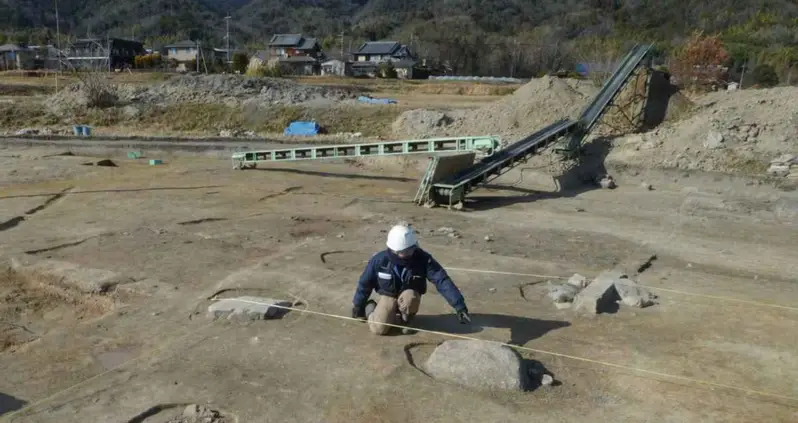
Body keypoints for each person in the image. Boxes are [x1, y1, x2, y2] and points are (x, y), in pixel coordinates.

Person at [351, 224, 471, 335]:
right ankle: (371, 308)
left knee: (411, 297)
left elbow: (442, 280)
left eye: (411, 248)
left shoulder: (423, 259)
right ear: (395, 251)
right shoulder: (379, 261)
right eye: (406, 251)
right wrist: (358, 305)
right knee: (379, 329)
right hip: (389, 296)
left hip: (409, 295)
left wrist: (459, 306)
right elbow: (365, 284)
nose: (410, 252)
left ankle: (406, 319)